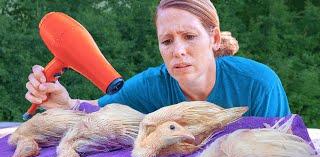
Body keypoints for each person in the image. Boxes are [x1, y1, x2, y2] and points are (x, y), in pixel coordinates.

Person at [25, 0, 290, 117]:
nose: (178, 50)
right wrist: (63, 103)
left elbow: (282, 153)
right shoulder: (154, 84)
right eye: (167, 41)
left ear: (215, 39)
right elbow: (99, 109)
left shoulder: (258, 83)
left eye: (189, 36)